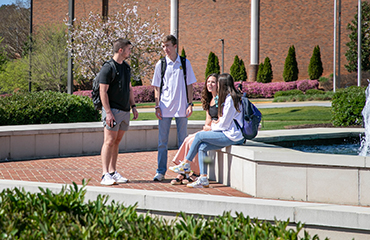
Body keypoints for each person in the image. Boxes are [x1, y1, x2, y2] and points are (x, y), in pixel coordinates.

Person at [170, 73, 244, 188]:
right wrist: (214, 125)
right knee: (202, 146)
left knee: (199, 136)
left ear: (223, 85)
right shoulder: (227, 98)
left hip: (232, 136)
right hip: (226, 133)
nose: (216, 86)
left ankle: (186, 164)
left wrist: (212, 127)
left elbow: (224, 124)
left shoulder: (231, 99)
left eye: (218, 83)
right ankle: (203, 177)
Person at [151, 35, 197, 181]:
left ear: (175, 46)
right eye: (163, 46)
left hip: (182, 108)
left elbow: (190, 85)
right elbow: (156, 87)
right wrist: (157, 106)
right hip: (164, 108)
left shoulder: (184, 63)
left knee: (183, 142)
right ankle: (160, 171)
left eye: (168, 46)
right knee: (162, 142)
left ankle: (182, 172)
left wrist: (190, 104)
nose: (166, 49)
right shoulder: (161, 64)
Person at [99, 38, 139, 185]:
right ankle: (104, 174)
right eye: (128, 49)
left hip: (124, 110)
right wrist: (108, 112)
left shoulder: (126, 68)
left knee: (117, 141)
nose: (130, 52)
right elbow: (103, 91)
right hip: (112, 110)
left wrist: (133, 106)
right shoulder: (108, 67)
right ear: (121, 50)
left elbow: (129, 88)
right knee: (109, 141)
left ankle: (113, 172)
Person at [169, 73, 219, 185]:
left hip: (216, 131)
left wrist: (209, 126)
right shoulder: (210, 99)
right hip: (209, 129)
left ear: (218, 84)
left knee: (194, 141)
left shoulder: (220, 100)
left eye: (213, 82)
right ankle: (184, 171)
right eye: (208, 82)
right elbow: (208, 121)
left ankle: (195, 172)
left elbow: (219, 120)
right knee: (188, 139)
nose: (210, 84)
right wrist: (208, 126)